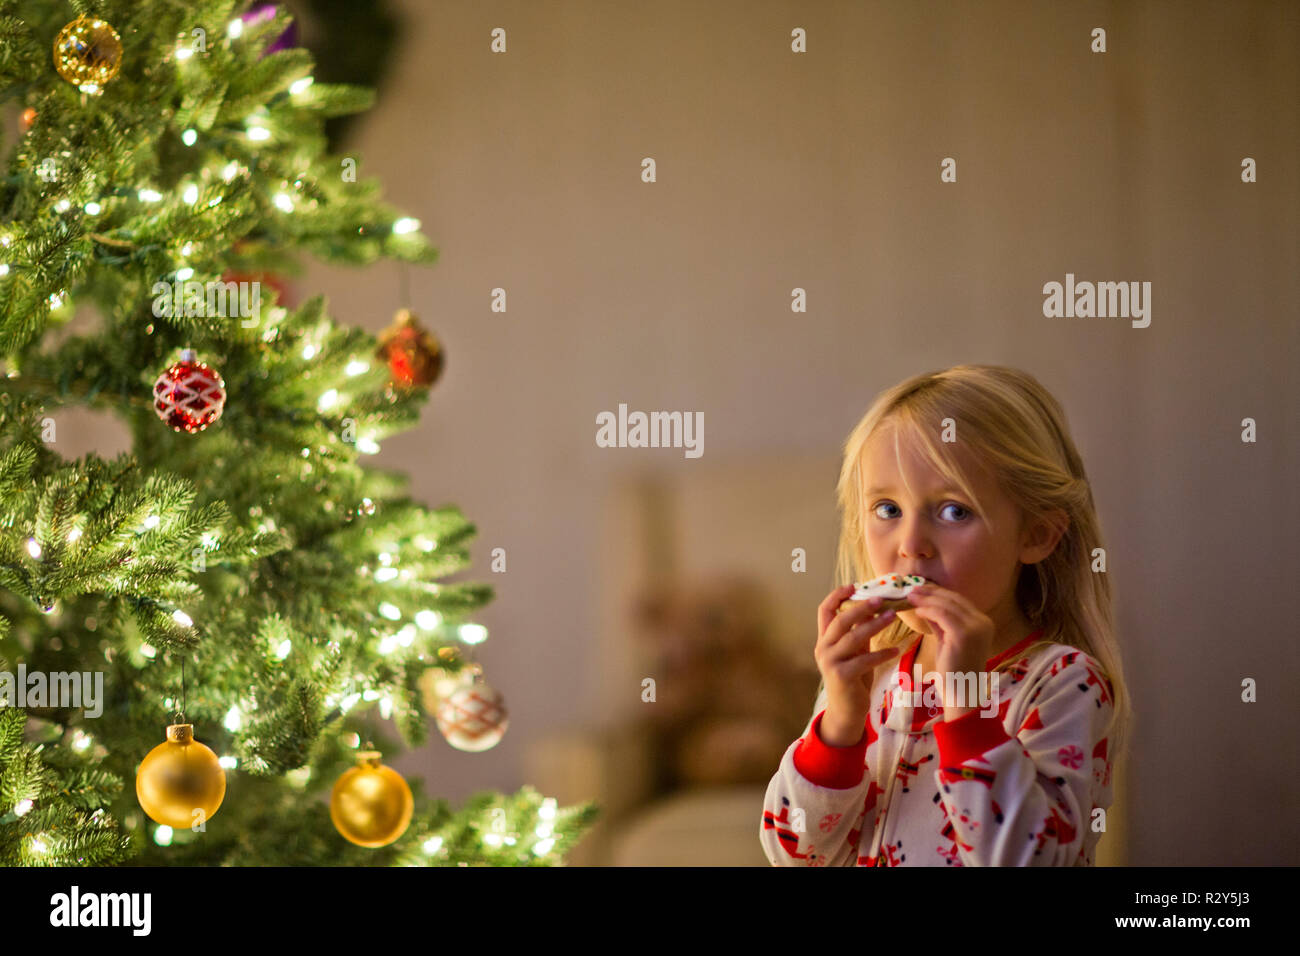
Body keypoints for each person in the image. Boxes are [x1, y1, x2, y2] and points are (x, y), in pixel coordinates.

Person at [760, 365, 1131, 866]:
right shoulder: (870, 675)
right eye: (888, 510)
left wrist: (967, 701)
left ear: (1036, 534)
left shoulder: (1063, 684)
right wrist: (840, 724)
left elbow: (1028, 860)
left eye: (954, 511)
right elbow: (794, 853)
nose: (912, 546)